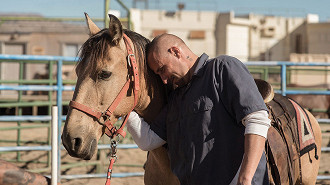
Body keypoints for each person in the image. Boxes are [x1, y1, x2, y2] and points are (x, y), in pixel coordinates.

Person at [127, 33, 271, 185]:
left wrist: (245, 178)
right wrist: (125, 108)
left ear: (176, 52)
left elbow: (257, 119)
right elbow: (148, 140)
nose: (164, 79)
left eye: (162, 69)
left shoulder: (221, 68)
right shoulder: (176, 98)